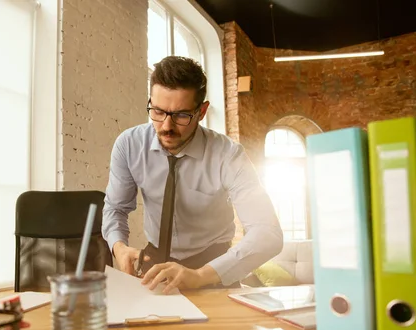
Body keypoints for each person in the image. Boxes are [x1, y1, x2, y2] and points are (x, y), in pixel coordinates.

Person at [102, 55, 283, 294]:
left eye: (181, 115)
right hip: (154, 263)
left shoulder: (228, 155)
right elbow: (115, 208)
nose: (166, 126)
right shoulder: (129, 145)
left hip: (212, 268)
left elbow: (268, 233)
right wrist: (119, 247)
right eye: (157, 111)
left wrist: (199, 276)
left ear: (202, 111)